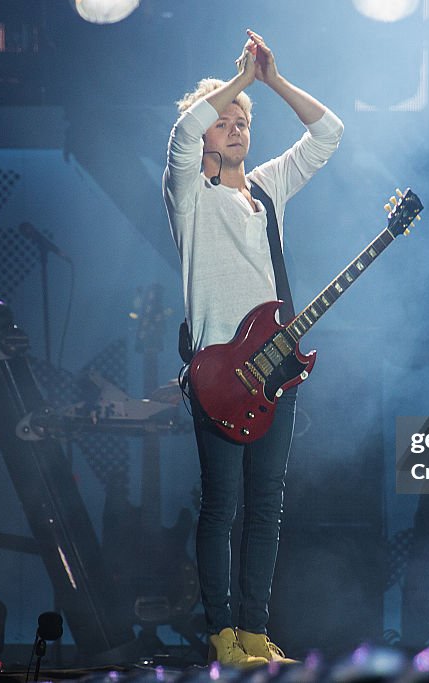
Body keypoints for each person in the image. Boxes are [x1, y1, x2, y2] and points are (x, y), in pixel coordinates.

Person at [162, 29, 343, 668]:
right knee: (223, 505)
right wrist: (236, 80)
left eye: (244, 121)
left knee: (266, 505)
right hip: (217, 374)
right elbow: (183, 134)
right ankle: (220, 635)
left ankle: (256, 634)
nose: (235, 126)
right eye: (225, 120)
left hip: (273, 373)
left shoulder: (266, 190)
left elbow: (329, 133)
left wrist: (271, 81)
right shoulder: (189, 194)